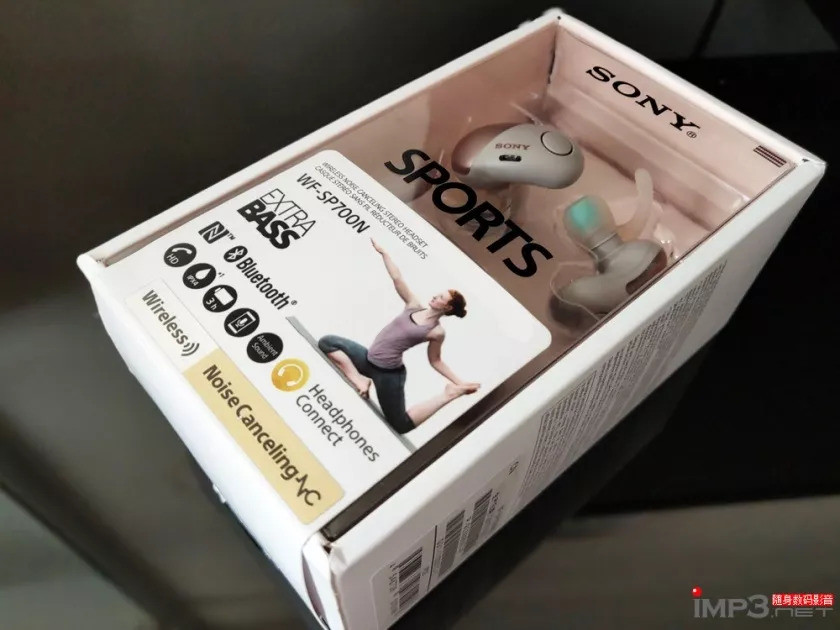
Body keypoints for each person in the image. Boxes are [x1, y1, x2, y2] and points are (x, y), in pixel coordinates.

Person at [318, 239, 480, 434]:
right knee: (327, 342)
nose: (435, 296)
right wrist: (384, 253)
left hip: (388, 374)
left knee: (401, 424)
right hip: (367, 359)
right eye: (438, 294)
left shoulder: (436, 332)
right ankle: (359, 379)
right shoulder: (413, 305)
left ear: (447, 307)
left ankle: (448, 395)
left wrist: (459, 383)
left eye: (440, 297)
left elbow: (436, 361)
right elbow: (397, 279)